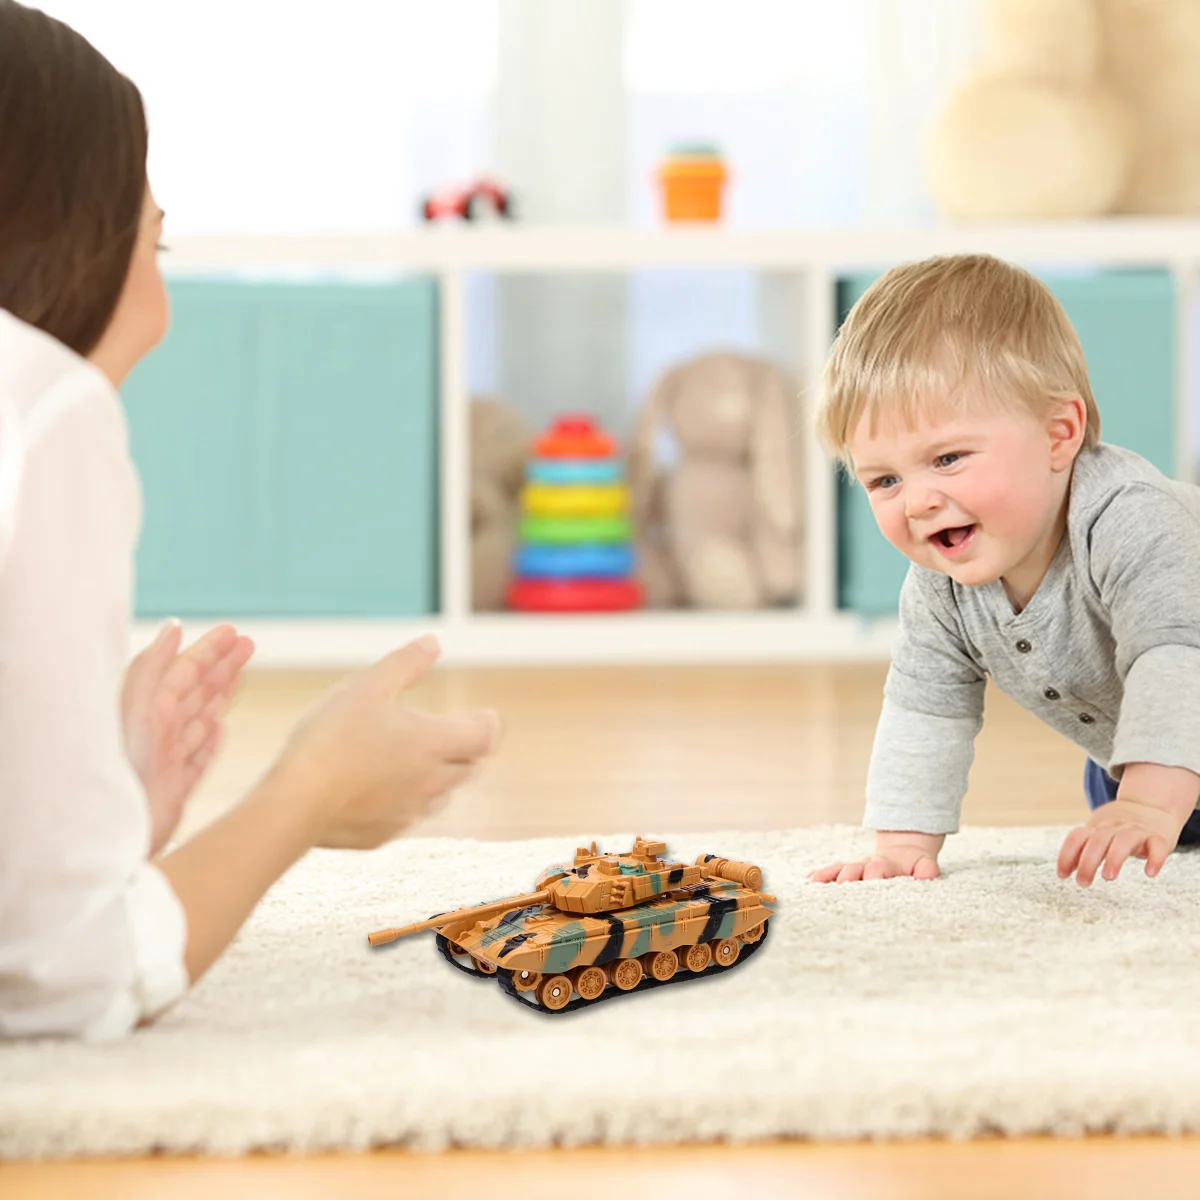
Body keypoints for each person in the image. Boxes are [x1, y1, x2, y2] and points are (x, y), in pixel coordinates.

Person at [0, 0, 501, 1040]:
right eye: (158, 241)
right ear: (66, 237)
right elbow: (63, 981)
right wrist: (306, 794)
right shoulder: (40, 403)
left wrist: (99, 816)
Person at [808, 253, 1200, 889]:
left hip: (1181, 695)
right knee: (1117, 799)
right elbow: (925, 706)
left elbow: (1179, 656)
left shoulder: (1133, 521)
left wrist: (1151, 803)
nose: (918, 502)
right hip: (1135, 749)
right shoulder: (940, 586)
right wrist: (902, 842)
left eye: (948, 458)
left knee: (1140, 786)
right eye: (884, 479)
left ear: (1058, 434)